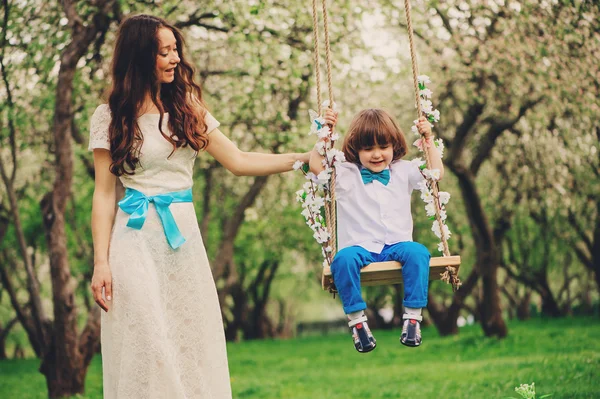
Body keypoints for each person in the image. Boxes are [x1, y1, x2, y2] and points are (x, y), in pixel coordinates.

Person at [88, 14, 316, 398]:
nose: (175, 58)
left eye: (175, 49)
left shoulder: (186, 107)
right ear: (140, 57)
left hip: (182, 243)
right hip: (133, 242)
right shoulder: (109, 117)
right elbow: (104, 194)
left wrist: (301, 159)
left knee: (185, 340)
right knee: (147, 340)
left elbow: (240, 161)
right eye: (164, 52)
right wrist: (101, 262)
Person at [309, 108, 444, 352]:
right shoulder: (345, 173)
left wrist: (428, 139)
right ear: (356, 150)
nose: (376, 154)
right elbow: (317, 168)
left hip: (397, 244)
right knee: (342, 261)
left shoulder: (403, 170)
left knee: (419, 253)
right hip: (360, 247)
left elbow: (436, 174)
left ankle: (413, 318)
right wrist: (324, 134)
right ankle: (358, 322)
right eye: (368, 149)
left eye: (383, 147)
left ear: (394, 146)